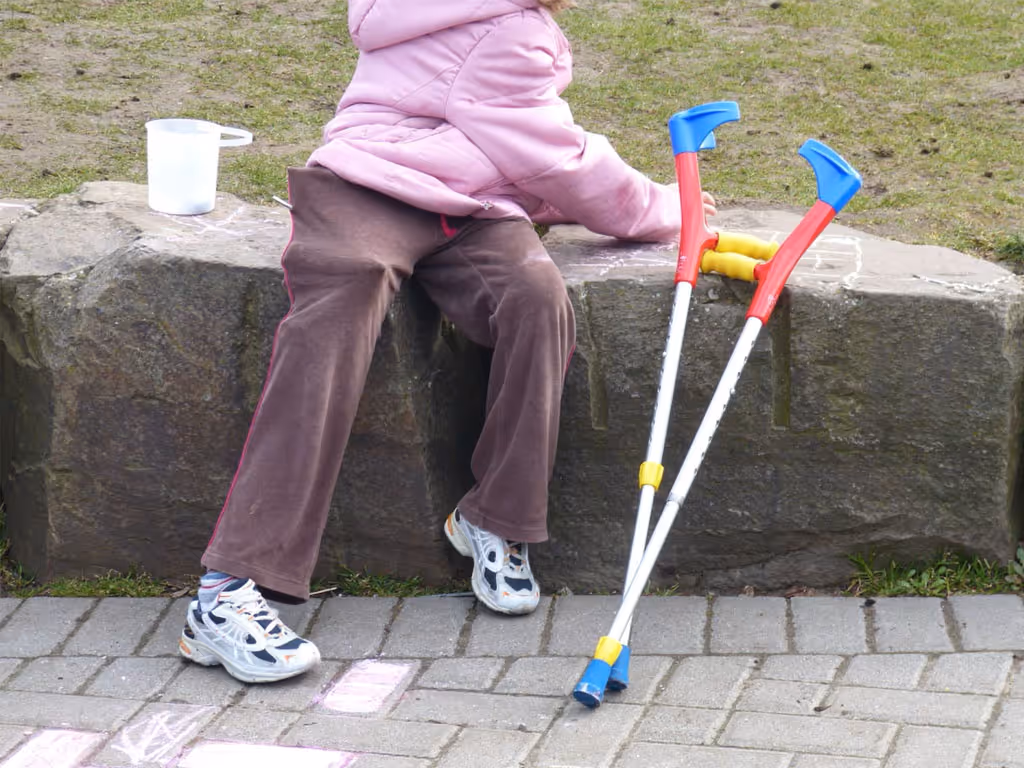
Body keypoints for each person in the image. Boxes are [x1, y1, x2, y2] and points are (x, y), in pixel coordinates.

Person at [178, 0, 717, 684]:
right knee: (336, 314)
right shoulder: (511, 31)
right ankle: (225, 594)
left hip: (471, 204)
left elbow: (512, 143)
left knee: (537, 298)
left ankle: (495, 517)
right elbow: (560, 159)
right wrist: (670, 208)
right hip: (364, 186)